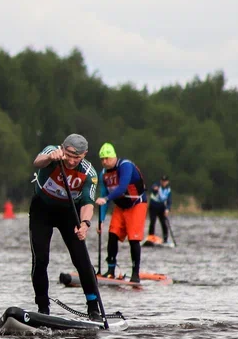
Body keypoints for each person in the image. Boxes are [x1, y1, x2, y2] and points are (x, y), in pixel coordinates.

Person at [29, 133, 103, 317]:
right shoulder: (53, 152)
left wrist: (85, 224)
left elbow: (87, 203)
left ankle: (93, 308)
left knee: (81, 260)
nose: (71, 161)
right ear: (62, 148)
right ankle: (43, 308)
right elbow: (37, 162)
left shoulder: (89, 173)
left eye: (76, 157)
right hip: (42, 209)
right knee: (41, 259)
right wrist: (50, 158)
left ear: (84, 154)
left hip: (69, 212)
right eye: (68, 155)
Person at [94, 142, 147, 282]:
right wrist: (101, 221)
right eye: (102, 159)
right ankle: (110, 270)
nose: (104, 162)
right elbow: (103, 195)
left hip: (136, 204)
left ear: (114, 157)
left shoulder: (125, 166)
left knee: (133, 239)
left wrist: (106, 199)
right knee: (112, 235)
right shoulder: (103, 174)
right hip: (121, 207)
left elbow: (122, 187)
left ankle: (135, 274)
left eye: (107, 158)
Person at [147, 175, 172, 241]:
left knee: (163, 223)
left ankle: (165, 239)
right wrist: (155, 189)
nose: (164, 182)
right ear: (160, 181)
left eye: (165, 181)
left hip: (162, 208)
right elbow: (153, 188)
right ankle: (151, 238)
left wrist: (167, 209)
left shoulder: (168, 189)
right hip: (153, 207)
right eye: (162, 181)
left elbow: (169, 201)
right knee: (152, 222)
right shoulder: (157, 185)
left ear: (167, 182)